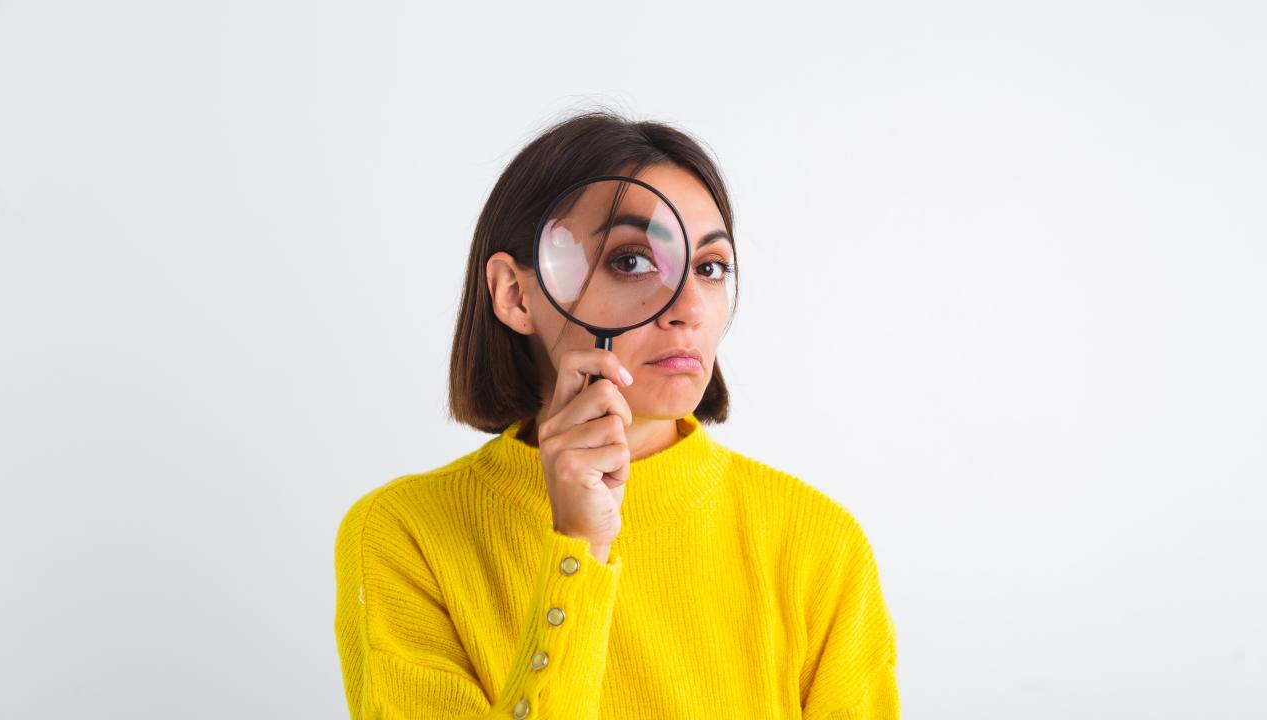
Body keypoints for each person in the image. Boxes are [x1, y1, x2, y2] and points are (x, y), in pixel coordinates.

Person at [333, 109, 900, 719]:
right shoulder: (403, 535)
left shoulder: (819, 543)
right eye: (631, 260)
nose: (688, 306)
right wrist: (577, 548)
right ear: (516, 294)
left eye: (709, 267)